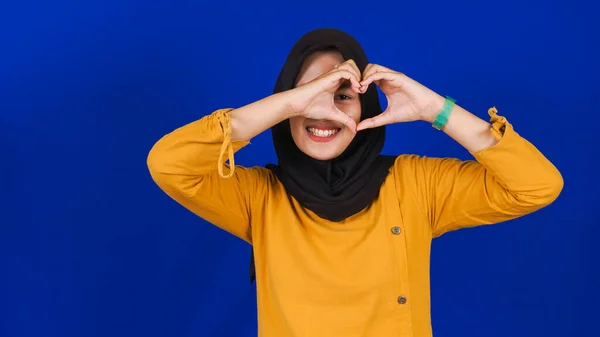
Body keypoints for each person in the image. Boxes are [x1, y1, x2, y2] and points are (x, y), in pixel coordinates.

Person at [147, 28, 563, 337]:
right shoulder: (258, 196)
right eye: (309, 93)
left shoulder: (414, 183)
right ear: (283, 104)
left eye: (342, 95)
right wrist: (290, 102)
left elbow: (536, 185)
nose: (324, 111)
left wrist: (434, 108)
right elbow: (169, 164)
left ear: (366, 104)